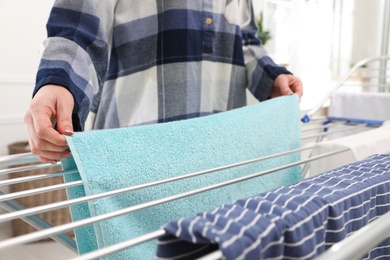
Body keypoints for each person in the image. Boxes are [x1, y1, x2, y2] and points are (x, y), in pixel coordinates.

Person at [25, 0, 303, 164]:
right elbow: (79, 26)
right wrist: (58, 82)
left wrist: (270, 77)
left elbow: (244, 39)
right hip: (136, 155)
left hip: (221, 154)